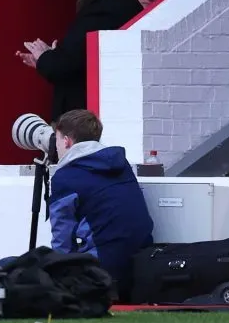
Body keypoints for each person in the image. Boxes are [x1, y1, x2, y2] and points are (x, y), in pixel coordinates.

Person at [18, 0, 142, 121]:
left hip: (84, 121)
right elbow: (80, 60)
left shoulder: (105, 10)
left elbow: (66, 64)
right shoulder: (119, 4)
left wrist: (46, 58)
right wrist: (49, 57)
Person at [48, 109, 154, 300]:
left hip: (102, 275)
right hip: (141, 267)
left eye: (57, 141)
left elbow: (62, 239)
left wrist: (57, 275)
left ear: (66, 141)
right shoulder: (121, 165)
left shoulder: (65, 177)